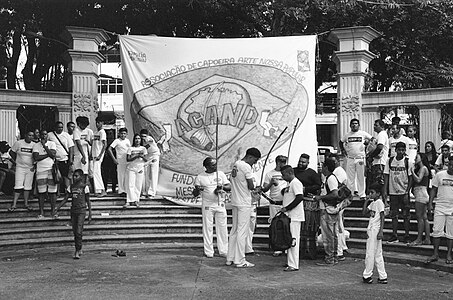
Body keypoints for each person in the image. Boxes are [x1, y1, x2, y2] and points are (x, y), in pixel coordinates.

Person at [226, 147, 261, 268]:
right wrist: (256, 187)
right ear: (250, 157)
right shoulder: (246, 167)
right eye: (255, 160)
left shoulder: (236, 164)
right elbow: (251, 186)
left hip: (235, 201)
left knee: (234, 230)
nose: (254, 163)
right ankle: (240, 260)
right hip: (244, 202)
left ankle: (230, 258)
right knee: (242, 231)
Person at [193, 157, 231, 258]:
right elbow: (195, 193)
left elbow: (229, 187)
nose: (215, 167)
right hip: (207, 205)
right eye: (213, 165)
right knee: (208, 228)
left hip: (220, 204)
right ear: (206, 166)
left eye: (216, 164)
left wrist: (221, 187)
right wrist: (198, 190)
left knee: (222, 227)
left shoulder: (220, 174)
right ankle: (209, 251)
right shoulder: (200, 177)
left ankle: (223, 250)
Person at [54, 169, 92, 259]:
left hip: (82, 211)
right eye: (74, 176)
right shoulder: (70, 187)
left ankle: (77, 250)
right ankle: (79, 246)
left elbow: (88, 201)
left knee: (79, 230)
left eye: (77, 176)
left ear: (81, 177)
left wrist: (90, 213)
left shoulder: (84, 187)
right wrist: (57, 207)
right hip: (73, 211)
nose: (74, 178)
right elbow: (66, 199)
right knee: (75, 231)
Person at [383, 142, 413, 243]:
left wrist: (407, 191)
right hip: (393, 192)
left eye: (402, 150)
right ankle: (394, 234)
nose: (400, 152)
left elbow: (410, 177)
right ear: (395, 150)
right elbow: (386, 175)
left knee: (406, 214)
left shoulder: (408, 161)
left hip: (403, 191)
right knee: (394, 214)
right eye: (398, 150)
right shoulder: (390, 161)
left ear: (405, 151)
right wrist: (385, 191)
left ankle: (407, 235)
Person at [426, 155, 453, 265]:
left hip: (452, 208)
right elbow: (433, 189)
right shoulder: (440, 175)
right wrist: (430, 203)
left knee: (450, 233)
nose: (452, 167)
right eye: (450, 164)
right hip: (440, 206)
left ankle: (449, 254)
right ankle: (435, 254)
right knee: (436, 231)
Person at [314, 157, 341, 265]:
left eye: (323, 166)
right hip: (331, 209)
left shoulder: (330, 179)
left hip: (327, 210)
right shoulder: (331, 178)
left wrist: (320, 197)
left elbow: (334, 194)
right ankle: (333, 256)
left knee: (328, 235)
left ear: (326, 167)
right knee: (332, 234)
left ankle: (330, 257)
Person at [261, 155, 288, 256]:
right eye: (281, 162)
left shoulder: (287, 173)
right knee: (275, 225)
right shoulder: (270, 174)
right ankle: (277, 247)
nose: (283, 163)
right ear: (277, 162)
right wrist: (271, 183)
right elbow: (264, 189)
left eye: (284, 162)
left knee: (286, 225)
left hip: (285, 202)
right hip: (274, 202)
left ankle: (286, 245)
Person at [279, 165, 304, 271]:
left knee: (293, 239)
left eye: (284, 175)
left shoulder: (296, 183)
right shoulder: (289, 184)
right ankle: (290, 261)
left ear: (290, 173)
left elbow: (299, 197)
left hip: (294, 216)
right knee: (289, 238)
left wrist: (287, 208)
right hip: (289, 216)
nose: (283, 177)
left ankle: (293, 264)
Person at [339, 118, 371, 200]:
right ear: (350, 125)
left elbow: (372, 139)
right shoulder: (347, 135)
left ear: (359, 125)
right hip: (350, 158)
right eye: (352, 123)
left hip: (360, 158)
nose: (354, 125)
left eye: (356, 123)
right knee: (350, 177)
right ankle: (350, 193)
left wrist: (367, 145)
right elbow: (341, 142)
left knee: (361, 177)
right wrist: (343, 150)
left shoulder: (362, 133)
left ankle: (362, 194)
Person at [362, 182, 388, 284]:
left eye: (372, 192)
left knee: (370, 253)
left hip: (375, 230)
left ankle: (367, 275)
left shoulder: (379, 203)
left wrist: (381, 231)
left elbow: (382, 216)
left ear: (377, 193)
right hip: (372, 229)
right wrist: (366, 202)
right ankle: (382, 276)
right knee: (377, 253)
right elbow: (364, 212)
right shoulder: (373, 203)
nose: (370, 194)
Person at [32, 130, 57, 218]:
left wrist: (44, 146)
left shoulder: (52, 144)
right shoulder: (35, 145)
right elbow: (36, 157)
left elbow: (53, 155)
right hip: (40, 170)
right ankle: (41, 212)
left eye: (45, 134)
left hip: (51, 169)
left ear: (47, 135)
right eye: (42, 134)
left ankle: (53, 211)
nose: (43, 136)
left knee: (52, 192)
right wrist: (48, 154)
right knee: (41, 192)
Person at [8, 130, 36, 211]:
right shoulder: (19, 143)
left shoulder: (34, 145)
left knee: (27, 186)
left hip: (30, 168)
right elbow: (11, 152)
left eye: (32, 136)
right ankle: (14, 204)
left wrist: (34, 164)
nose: (30, 137)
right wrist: (16, 161)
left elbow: (36, 155)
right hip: (20, 167)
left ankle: (26, 204)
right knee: (18, 185)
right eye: (29, 135)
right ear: (25, 135)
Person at [410, 152, 431, 246]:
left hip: (421, 194)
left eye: (417, 157)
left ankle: (419, 238)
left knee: (420, 217)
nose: (415, 159)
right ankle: (427, 238)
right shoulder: (422, 168)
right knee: (424, 217)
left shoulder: (423, 168)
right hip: (422, 193)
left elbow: (418, 179)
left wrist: (413, 172)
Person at [331, 154, 348, 260]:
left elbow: (338, 188)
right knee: (339, 226)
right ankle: (342, 247)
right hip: (337, 202)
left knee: (338, 227)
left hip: (339, 202)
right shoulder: (335, 172)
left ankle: (340, 250)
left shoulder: (339, 172)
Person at [48, 121, 74, 194]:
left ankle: (68, 191)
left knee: (65, 176)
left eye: (62, 127)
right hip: (54, 160)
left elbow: (71, 147)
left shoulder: (66, 135)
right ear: (55, 128)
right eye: (59, 127)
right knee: (56, 176)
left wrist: (71, 159)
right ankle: (57, 192)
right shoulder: (50, 135)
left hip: (64, 159)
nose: (60, 129)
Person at [124, 133, 147, 208]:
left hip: (140, 168)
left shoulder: (143, 149)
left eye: (139, 139)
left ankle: (136, 200)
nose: (137, 140)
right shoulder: (130, 148)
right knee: (130, 184)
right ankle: (129, 200)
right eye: (136, 139)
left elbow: (146, 159)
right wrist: (136, 155)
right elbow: (128, 159)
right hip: (131, 168)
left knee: (138, 185)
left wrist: (142, 156)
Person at [107, 128, 130, 196]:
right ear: (119, 134)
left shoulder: (127, 141)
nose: (123, 135)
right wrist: (114, 159)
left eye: (124, 133)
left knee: (126, 176)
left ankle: (126, 190)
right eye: (122, 133)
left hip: (127, 161)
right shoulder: (117, 141)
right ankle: (121, 191)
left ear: (126, 134)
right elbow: (109, 149)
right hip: (120, 161)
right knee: (121, 176)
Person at [367, 119, 389, 192]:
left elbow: (380, 147)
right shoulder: (379, 135)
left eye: (376, 125)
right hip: (377, 162)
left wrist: (371, 156)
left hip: (379, 162)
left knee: (378, 183)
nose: (374, 127)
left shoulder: (381, 134)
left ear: (382, 126)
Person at [140, 129, 161, 198]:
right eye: (142, 136)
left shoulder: (149, 138)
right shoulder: (141, 141)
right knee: (146, 174)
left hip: (155, 155)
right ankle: (146, 191)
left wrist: (146, 139)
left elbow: (149, 141)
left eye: (144, 136)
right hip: (148, 156)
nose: (143, 137)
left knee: (153, 174)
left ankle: (152, 193)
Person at [91, 117, 107, 197]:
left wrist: (100, 155)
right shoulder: (95, 132)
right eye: (96, 122)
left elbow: (105, 145)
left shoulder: (102, 132)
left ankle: (102, 190)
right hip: (94, 154)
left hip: (98, 155)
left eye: (99, 122)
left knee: (96, 172)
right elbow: (93, 145)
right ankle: (97, 190)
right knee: (95, 172)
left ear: (102, 123)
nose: (97, 124)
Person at [102, 129, 118, 194]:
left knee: (113, 174)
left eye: (111, 134)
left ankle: (113, 188)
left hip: (113, 160)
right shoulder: (105, 141)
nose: (110, 135)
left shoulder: (115, 142)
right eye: (108, 134)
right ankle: (105, 187)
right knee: (105, 174)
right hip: (106, 160)